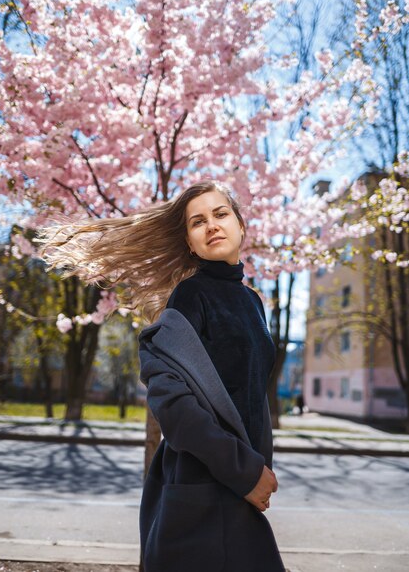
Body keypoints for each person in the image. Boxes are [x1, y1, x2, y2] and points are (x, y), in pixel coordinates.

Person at [37, 180, 285, 572]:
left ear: (241, 225)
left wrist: (254, 473)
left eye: (221, 214)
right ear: (189, 242)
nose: (212, 226)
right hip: (202, 493)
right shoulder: (189, 296)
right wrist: (245, 471)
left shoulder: (253, 301)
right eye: (197, 222)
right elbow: (172, 405)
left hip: (238, 491)